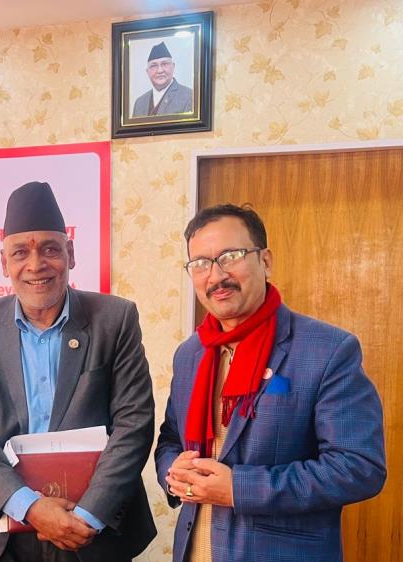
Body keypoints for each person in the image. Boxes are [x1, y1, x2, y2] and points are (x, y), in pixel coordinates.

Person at [155, 204, 386, 562]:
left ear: (265, 261)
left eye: (230, 257)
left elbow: (358, 468)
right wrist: (174, 471)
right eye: (200, 263)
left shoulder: (327, 349)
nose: (216, 275)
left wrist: (239, 488)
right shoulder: (191, 354)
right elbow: (171, 438)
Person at [0, 181, 156, 562]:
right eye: (20, 252)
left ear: (70, 254)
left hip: (91, 532)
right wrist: (28, 506)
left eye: (49, 248)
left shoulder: (115, 319)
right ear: (4, 263)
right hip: (4, 534)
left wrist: (87, 517)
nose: (35, 265)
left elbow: (134, 424)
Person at [132, 41, 193, 117]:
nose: (160, 70)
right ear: (147, 71)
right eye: (154, 66)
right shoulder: (139, 103)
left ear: (173, 67)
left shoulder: (189, 96)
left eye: (164, 64)